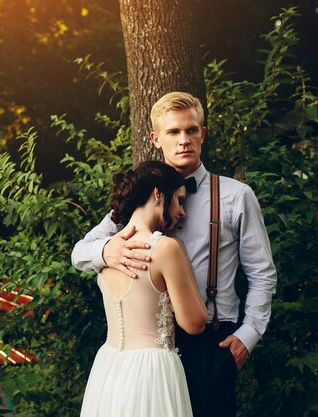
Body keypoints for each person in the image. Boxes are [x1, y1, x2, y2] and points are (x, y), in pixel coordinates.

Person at [72, 92, 278, 417]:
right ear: (156, 138)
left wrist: (248, 335)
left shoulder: (237, 197)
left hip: (211, 343)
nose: (184, 140)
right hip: (150, 347)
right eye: (173, 132)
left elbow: (262, 273)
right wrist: (106, 249)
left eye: (191, 130)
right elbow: (80, 253)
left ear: (202, 134)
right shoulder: (139, 198)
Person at [79, 160, 208, 417]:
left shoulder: (108, 249)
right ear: (159, 194)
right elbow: (194, 323)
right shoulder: (166, 249)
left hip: (109, 367)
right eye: (179, 201)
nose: (182, 212)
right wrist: (180, 253)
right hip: (152, 372)